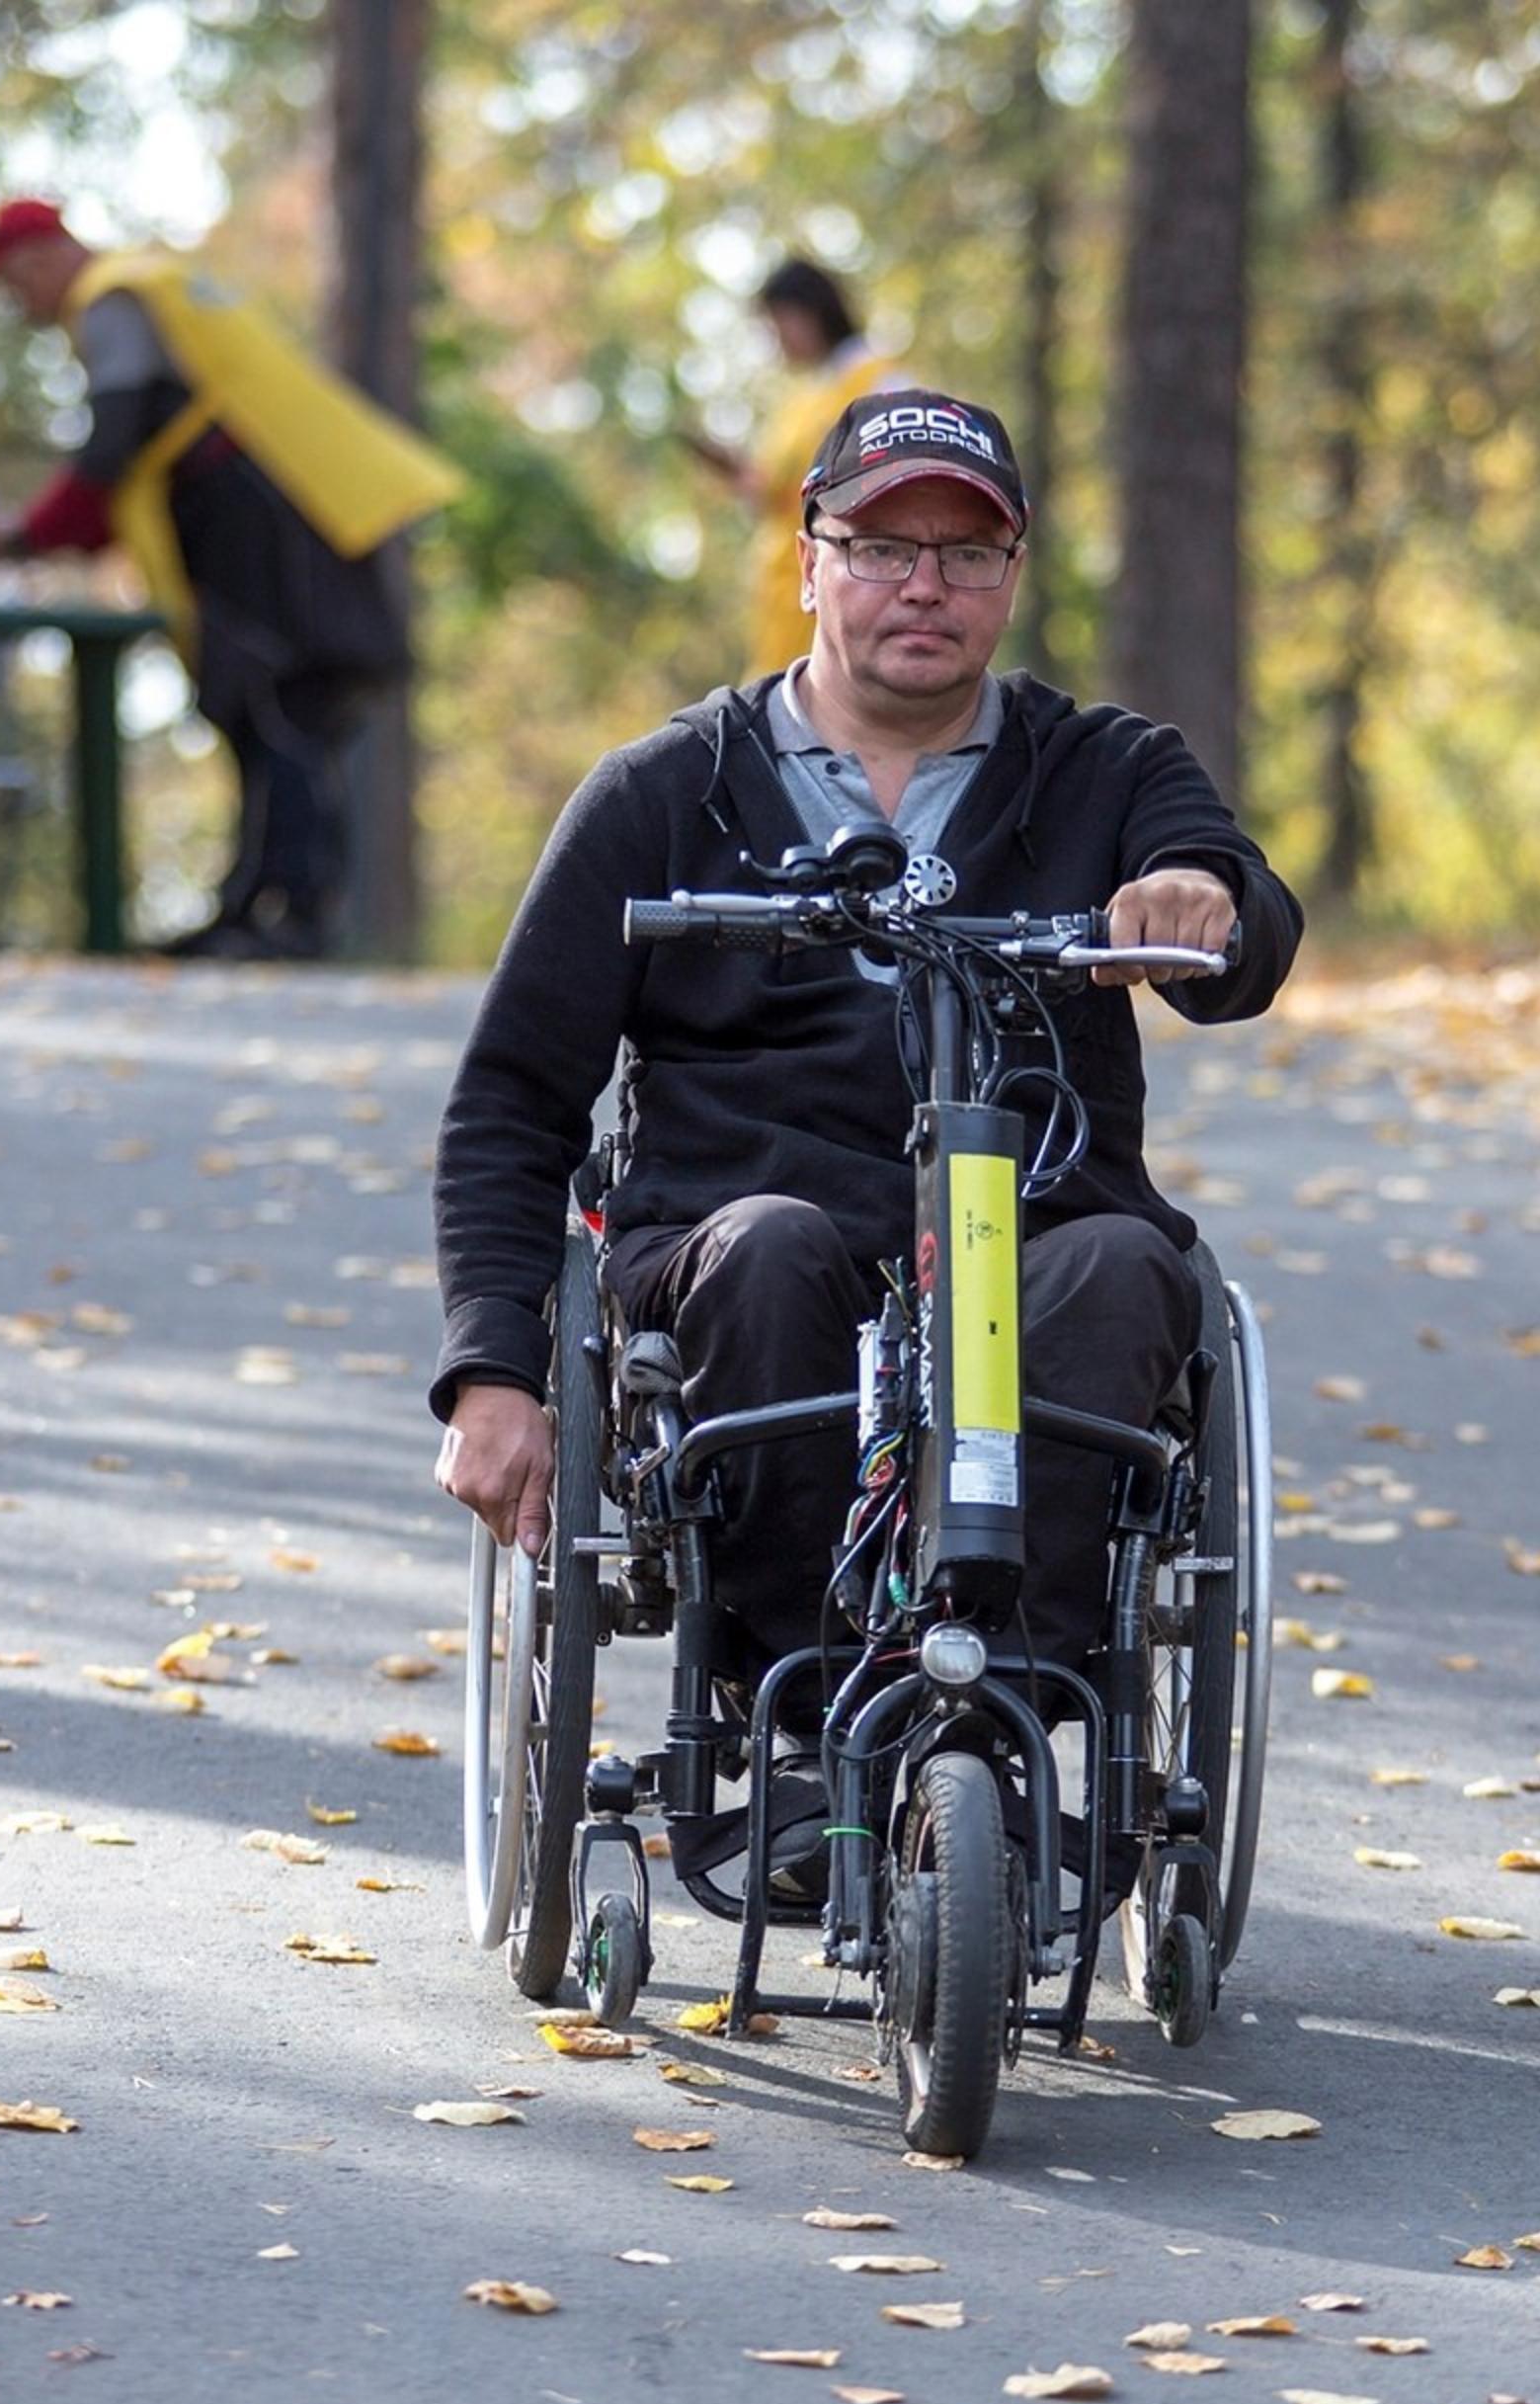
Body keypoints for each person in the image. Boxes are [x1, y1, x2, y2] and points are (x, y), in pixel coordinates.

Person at [431, 387, 1300, 1848]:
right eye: (885, 544)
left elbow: (1239, 932)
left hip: (1033, 1223)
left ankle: (1005, 1712)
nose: (925, 585)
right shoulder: (666, 793)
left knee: (1127, 1271)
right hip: (738, 1241)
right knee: (772, 1253)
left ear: (1012, 577)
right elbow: (513, 1098)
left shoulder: (1106, 771)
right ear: (810, 560)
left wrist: (1202, 892)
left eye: (967, 554)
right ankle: (794, 1716)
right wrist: (489, 1370)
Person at [0, 199, 460, 958]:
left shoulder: (112, 301)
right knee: (282, 713)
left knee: (274, 706)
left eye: (10, 284)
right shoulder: (162, 281)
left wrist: (20, 537)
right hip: (300, 513)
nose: (15, 303)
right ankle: (263, 904)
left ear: (39, 258)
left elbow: (109, 454)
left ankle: (282, 915)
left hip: (254, 531)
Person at [676, 258, 908, 683]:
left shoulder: (882, 385)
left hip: (844, 594)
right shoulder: (800, 399)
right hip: (784, 598)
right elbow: (775, 492)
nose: (774, 340)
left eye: (775, 324)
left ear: (805, 313)